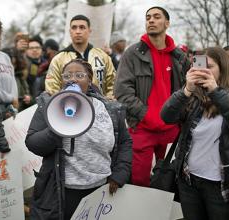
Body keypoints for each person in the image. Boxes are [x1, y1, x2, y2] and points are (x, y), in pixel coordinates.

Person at [25, 59, 132, 220]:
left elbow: (125, 142)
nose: (73, 79)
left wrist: (120, 173)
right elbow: (33, 143)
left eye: (79, 75)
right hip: (62, 192)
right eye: (67, 75)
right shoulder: (49, 106)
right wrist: (58, 127)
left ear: (89, 80)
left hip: (100, 189)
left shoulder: (110, 109)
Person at [114, 6, 190, 187]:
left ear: (167, 23)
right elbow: (122, 91)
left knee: (170, 183)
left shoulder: (179, 57)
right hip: (142, 128)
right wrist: (146, 115)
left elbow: (190, 90)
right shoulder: (132, 53)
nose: (151, 20)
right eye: (148, 17)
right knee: (140, 184)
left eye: (156, 17)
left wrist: (180, 115)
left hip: (172, 130)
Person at [161, 47, 229, 220]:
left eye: (211, 66)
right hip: (189, 181)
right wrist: (186, 90)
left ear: (222, 69)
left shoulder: (227, 98)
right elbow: (166, 116)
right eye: (200, 65)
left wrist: (216, 92)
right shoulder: (194, 97)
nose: (204, 71)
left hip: (219, 186)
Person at [45, 14, 115, 98]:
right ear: (70, 31)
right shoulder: (59, 59)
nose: (78, 31)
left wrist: (106, 104)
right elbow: (52, 89)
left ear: (89, 31)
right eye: (74, 28)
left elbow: (113, 84)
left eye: (82, 27)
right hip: (68, 107)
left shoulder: (103, 56)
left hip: (100, 108)